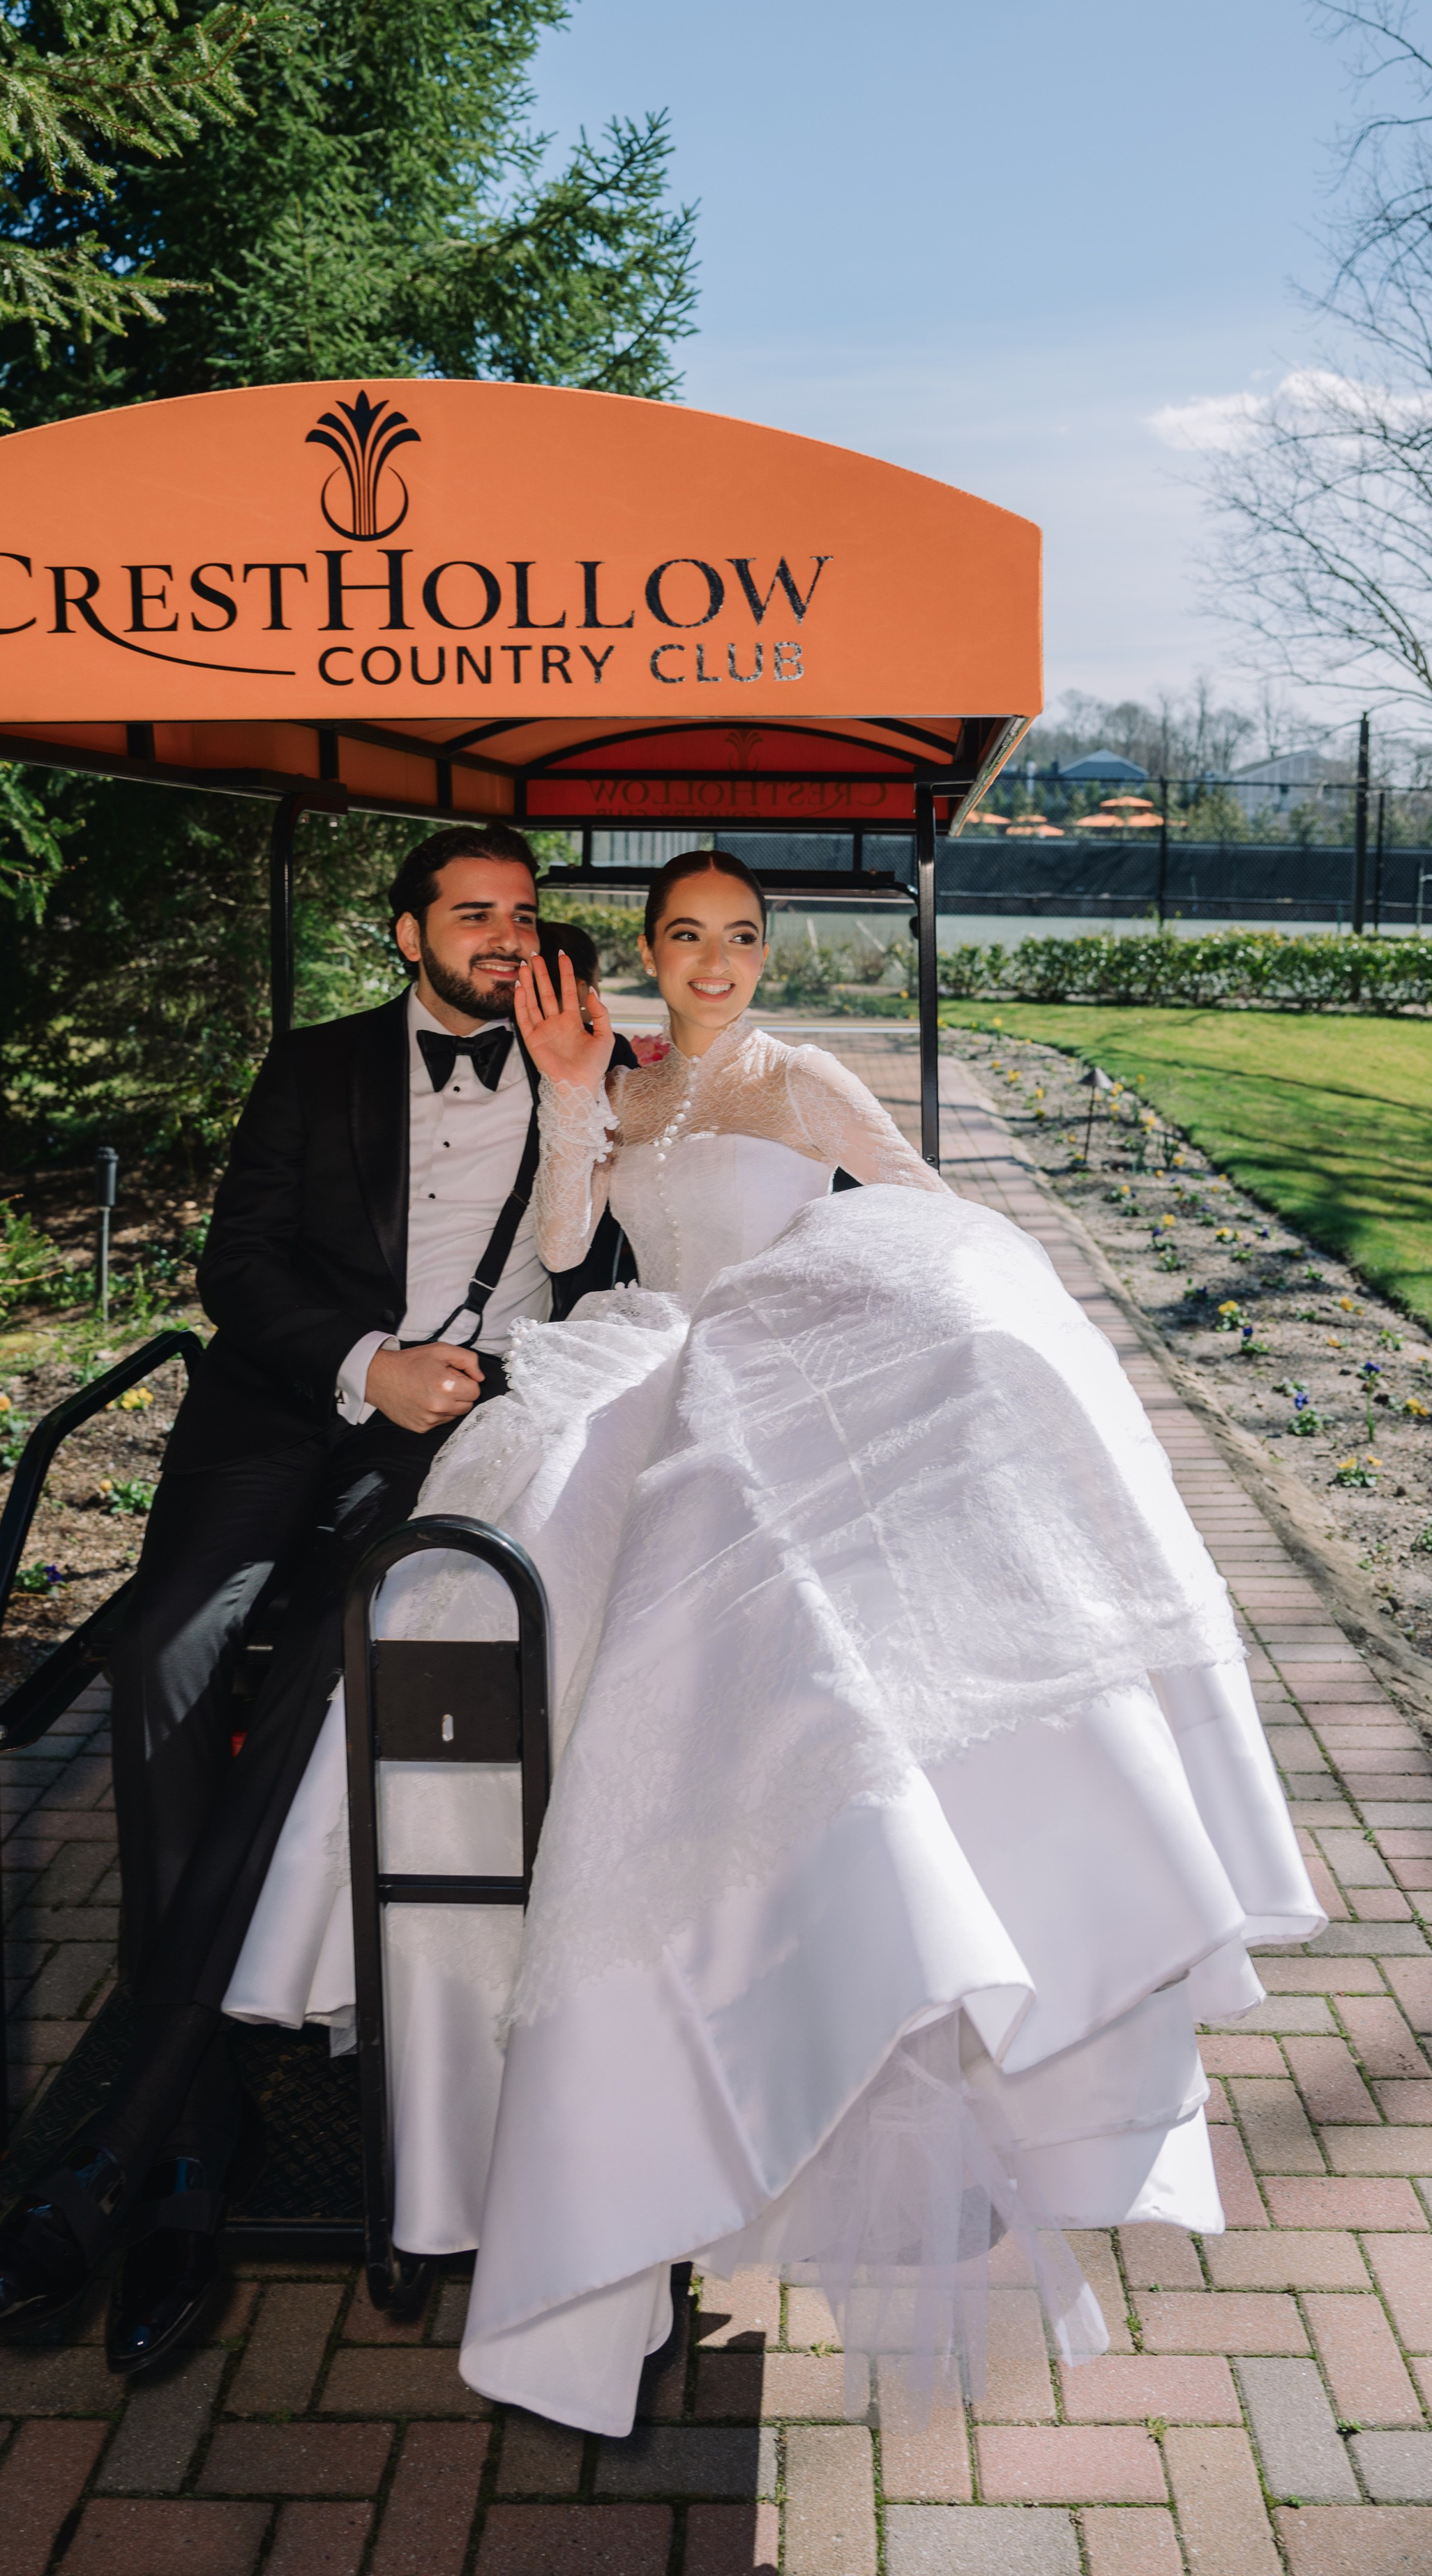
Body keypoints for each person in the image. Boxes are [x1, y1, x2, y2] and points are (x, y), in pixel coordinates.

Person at [224, 848, 1324, 2433]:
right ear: (652, 956)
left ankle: (752, 1989)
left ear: (765, 951)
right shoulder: (620, 1074)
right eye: (687, 937)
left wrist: (850, 1332)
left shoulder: (807, 1080)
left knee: (738, 1617)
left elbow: (941, 1228)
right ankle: (483, 2081)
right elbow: (558, 1248)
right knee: (480, 1589)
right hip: (644, 1364)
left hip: (781, 1390)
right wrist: (565, 1097)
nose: (716, 961)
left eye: (741, 936)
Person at [0, 822, 623, 2372]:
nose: (504, 937)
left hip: (460, 1438)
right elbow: (236, 1263)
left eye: (523, 913)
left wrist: (580, 1099)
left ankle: (156, 2162)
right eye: (472, 914)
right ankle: (191, 2112)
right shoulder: (312, 1067)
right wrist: (358, 1365)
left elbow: (594, 1284)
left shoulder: (584, 1065)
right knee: (173, 1659)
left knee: (335, 1675)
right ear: (406, 933)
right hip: (279, 1413)